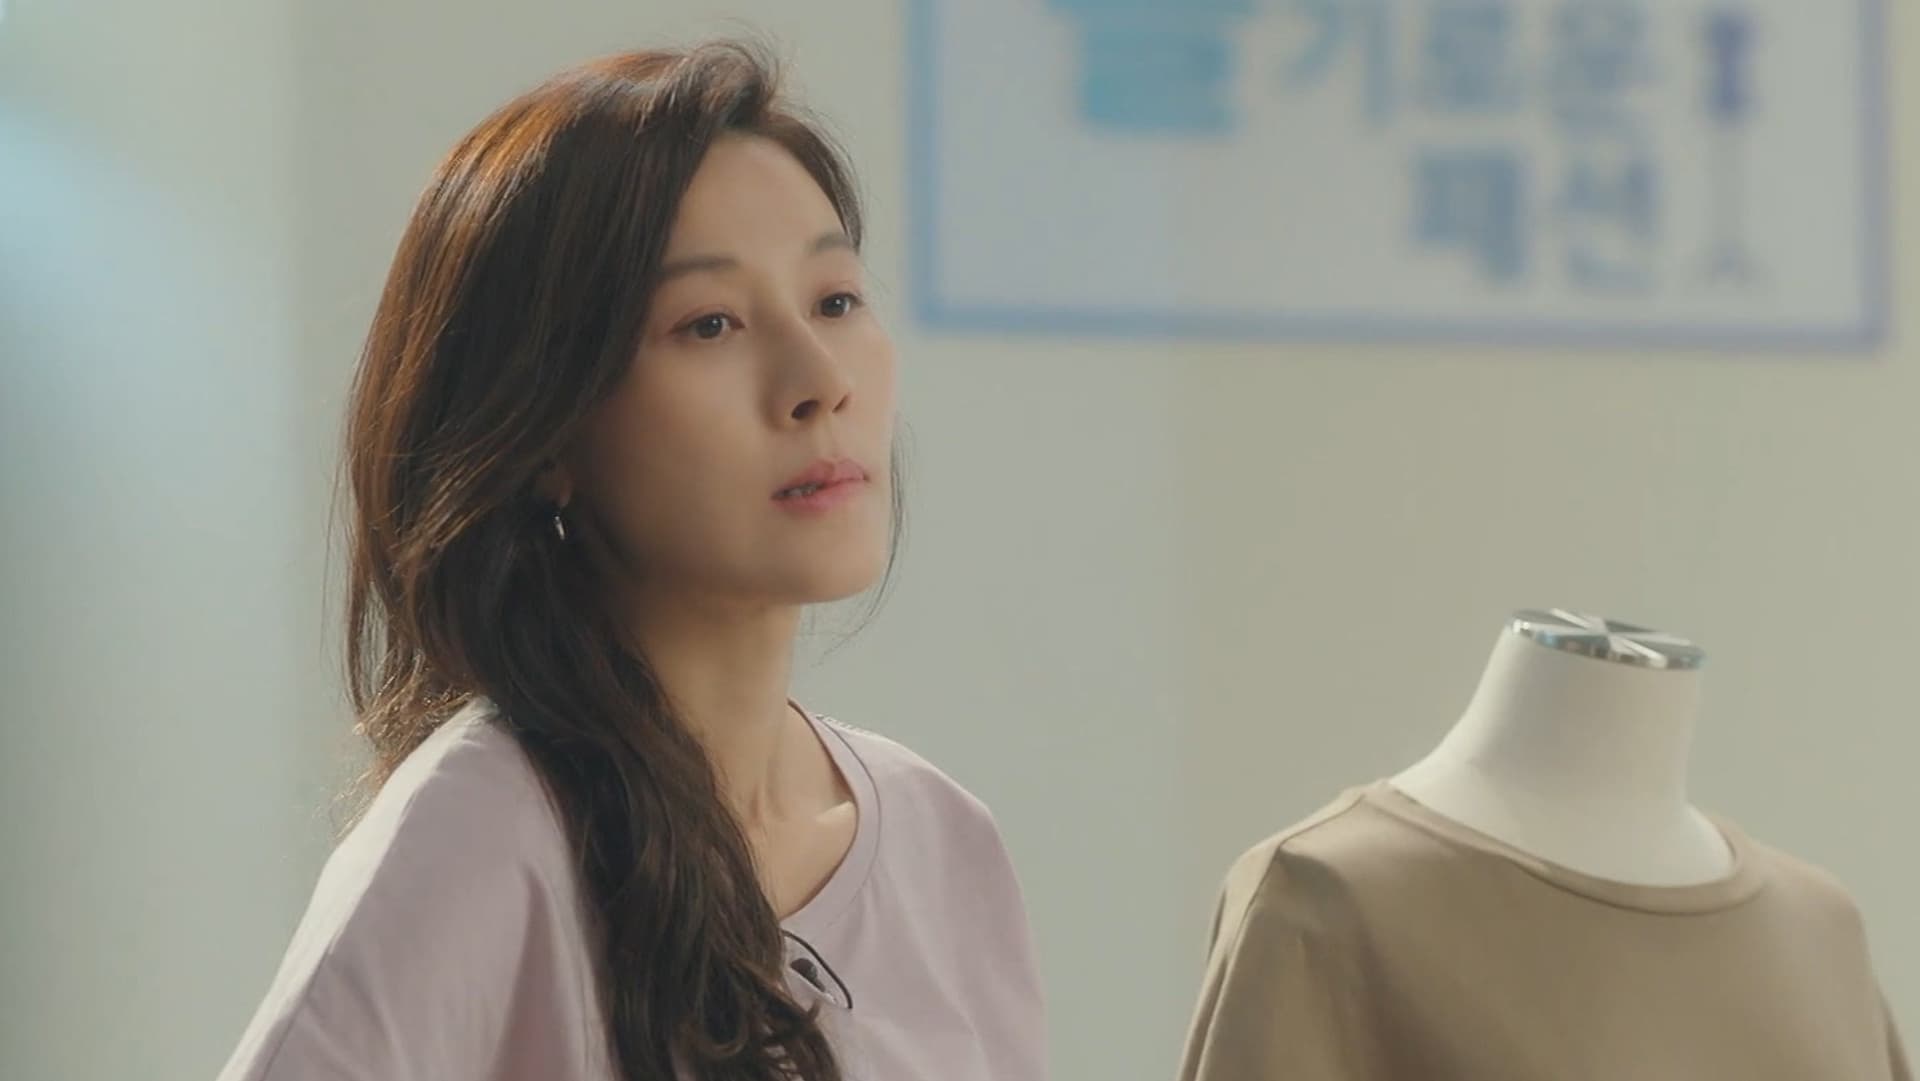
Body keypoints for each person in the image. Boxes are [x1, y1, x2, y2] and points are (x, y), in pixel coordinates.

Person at [214, 40, 1047, 1081]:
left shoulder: (940, 839)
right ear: (548, 432)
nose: (818, 379)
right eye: (710, 324)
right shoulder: (483, 831)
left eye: (835, 300)